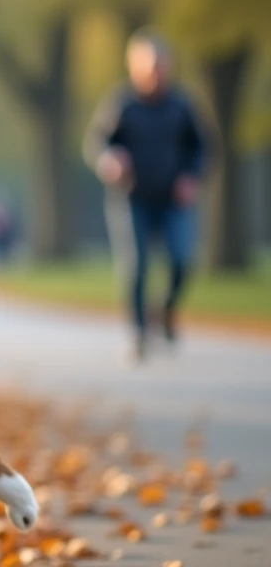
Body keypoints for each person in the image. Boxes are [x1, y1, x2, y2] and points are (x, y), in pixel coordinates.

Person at [83, 29, 208, 361]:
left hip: (172, 198)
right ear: (133, 67)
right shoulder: (121, 104)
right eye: (148, 65)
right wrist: (110, 160)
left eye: (160, 65)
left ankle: (165, 312)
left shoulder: (182, 105)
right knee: (136, 265)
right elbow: (97, 144)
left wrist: (190, 177)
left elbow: (201, 148)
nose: (154, 72)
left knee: (182, 259)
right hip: (131, 196)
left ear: (168, 66)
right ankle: (138, 333)